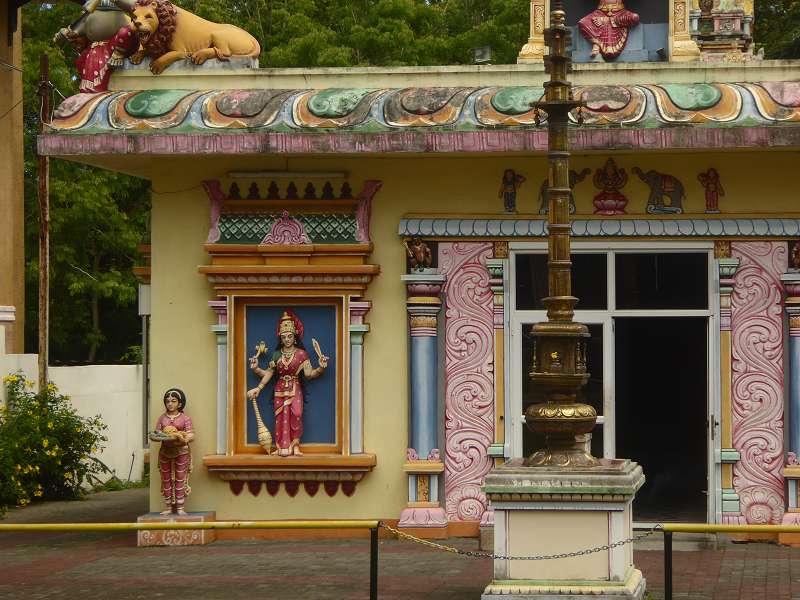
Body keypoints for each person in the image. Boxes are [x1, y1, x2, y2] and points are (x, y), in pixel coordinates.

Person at [247, 311, 329, 457]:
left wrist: (321, 367)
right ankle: (281, 447)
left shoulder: (302, 354)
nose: (287, 339)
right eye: (284, 337)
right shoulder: (277, 354)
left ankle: (295, 445)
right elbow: (269, 373)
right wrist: (257, 374)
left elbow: (310, 374)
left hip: (295, 387)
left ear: (295, 336)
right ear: (281, 338)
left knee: (296, 414)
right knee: (280, 418)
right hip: (280, 389)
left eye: (290, 336)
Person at [150, 388, 194, 515]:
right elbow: (155, 434)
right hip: (165, 452)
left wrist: (179, 437)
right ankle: (169, 507)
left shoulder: (185, 418)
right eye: (167, 401)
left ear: (179, 404)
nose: (170, 404)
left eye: (173, 401)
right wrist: (160, 436)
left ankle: (180, 507)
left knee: (180, 478)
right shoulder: (162, 419)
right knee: (166, 479)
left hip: (181, 451)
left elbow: (191, 435)